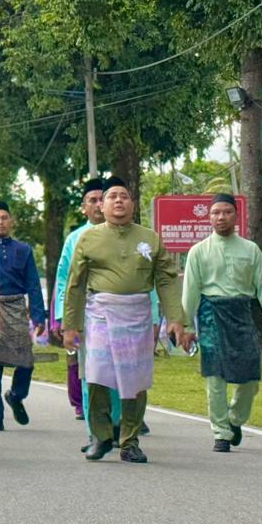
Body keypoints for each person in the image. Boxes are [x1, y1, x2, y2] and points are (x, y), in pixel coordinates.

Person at [63, 177, 186, 464]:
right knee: (97, 375)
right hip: (100, 314)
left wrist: (176, 319)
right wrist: (71, 325)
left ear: (132, 204)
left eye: (124, 196)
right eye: (112, 197)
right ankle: (101, 436)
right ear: (102, 205)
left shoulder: (149, 238)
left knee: (135, 379)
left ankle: (129, 441)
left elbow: (166, 280)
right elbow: (75, 284)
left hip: (138, 315)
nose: (118, 200)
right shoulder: (88, 238)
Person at [182, 194, 262, 453]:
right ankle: (221, 433)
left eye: (226, 212)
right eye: (215, 212)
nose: (221, 217)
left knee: (250, 376)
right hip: (210, 313)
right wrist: (186, 327)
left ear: (235, 216)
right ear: (209, 217)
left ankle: (234, 419)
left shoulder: (251, 250)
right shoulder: (198, 251)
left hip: (241, 312)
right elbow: (190, 291)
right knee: (214, 376)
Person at [0, 201, 46, 431]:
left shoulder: (24, 250)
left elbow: (34, 285)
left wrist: (39, 317)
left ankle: (17, 395)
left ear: (11, 222)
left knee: (25, 360)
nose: (0, 222)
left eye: (4, 218)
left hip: (17, 306)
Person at [53, 178, 105, 421]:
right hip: (82, 311)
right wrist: (62, 317)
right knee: (82, 364)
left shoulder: (127, 235)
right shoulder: (75, 239)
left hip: (116, 312)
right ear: (84, 207)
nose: (98, 204)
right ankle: (86, 410)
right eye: (92, 200)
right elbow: (63, 279)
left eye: (102, 199)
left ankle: (121, 415)